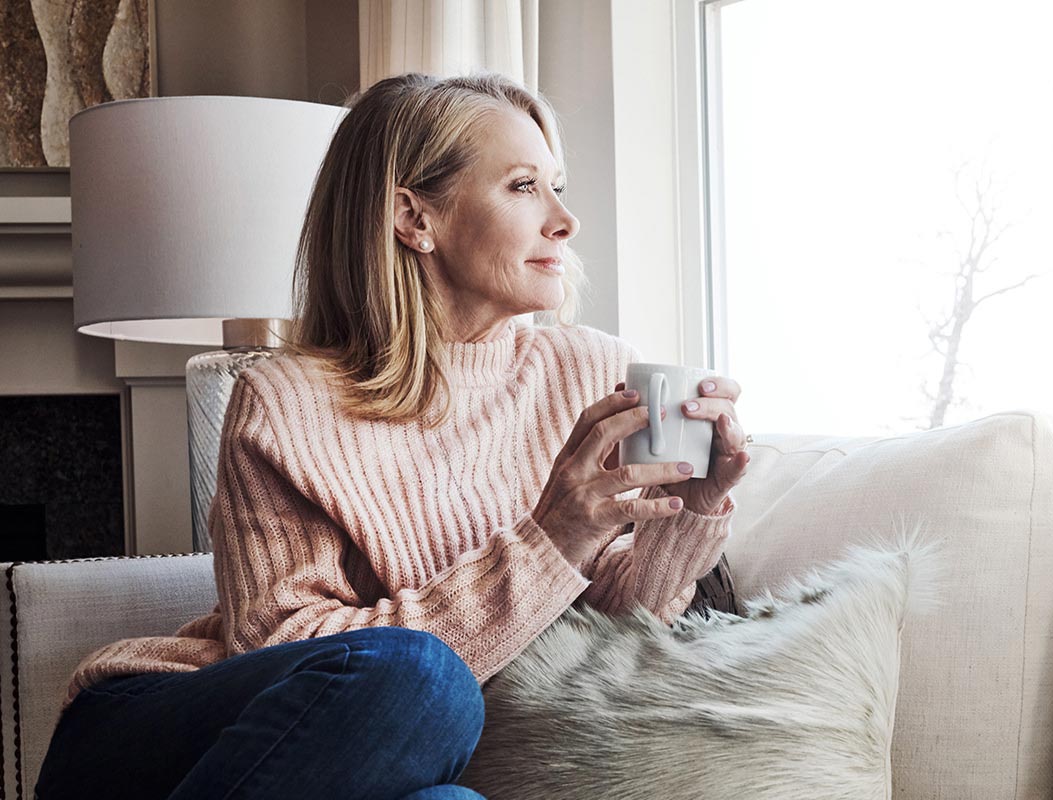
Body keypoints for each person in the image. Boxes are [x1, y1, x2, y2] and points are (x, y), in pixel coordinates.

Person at [34, 71, 752, 799]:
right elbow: (289, 653)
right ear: (414, 218)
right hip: (164, 736)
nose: (565, 221)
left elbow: (601, 629)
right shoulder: (287, 401)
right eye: (523, 186)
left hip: (382, 757)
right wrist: (550, 539)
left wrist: (688, 509)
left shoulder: (591, 370)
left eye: (556, 186)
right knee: (425, 680)